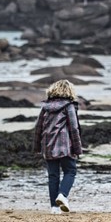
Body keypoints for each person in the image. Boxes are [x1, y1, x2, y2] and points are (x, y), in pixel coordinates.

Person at [33, 79, 83, 214]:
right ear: (69, 91)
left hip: (48, 146)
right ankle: (62, 195)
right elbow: (74, 128)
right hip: (65, 146)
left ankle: (54, 208)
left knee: (53, 176)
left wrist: (37, 147)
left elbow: (38, 127)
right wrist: (78, 149)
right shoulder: (69, 106)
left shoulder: (45, 107)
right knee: (70, 171)